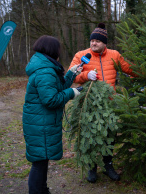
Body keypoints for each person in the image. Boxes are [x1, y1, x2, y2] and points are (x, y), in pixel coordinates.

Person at [68, 23, 134, 183]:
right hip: (88, 104)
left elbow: (130, 69)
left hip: (110, 105)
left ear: (105, 43)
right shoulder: (81, 55)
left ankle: (108, 165)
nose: (94, 43)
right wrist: (85, 75)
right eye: (92, 40)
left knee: (109, 136)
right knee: (90, 136)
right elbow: (70, 75)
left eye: (97, 41)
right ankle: (91, 167)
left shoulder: (114, 55)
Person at [22, 35, 82, 194]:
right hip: (40, 125)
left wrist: (71, 74)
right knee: (39, 164)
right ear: (51, 50)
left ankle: (42, 190)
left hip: (42, 123)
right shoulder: (45, 71)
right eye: (58, 50)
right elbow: (51, 100)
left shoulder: (46, 67)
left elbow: (57, 87)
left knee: (42, 161)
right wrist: (72, 93)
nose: (59, 53)